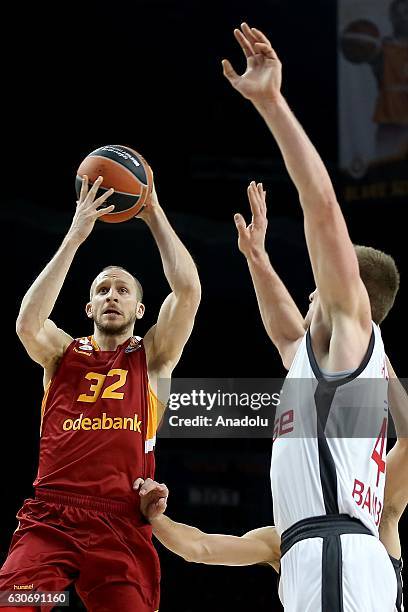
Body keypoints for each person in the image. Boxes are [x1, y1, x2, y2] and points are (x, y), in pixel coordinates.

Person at [221, 24, 401, 611]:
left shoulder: (351, 329)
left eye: (315, 288)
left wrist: (272, 104)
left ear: (346, 291)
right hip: (339, 556)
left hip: (335, 554)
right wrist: (257, 261)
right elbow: (285, 335)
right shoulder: (341, 366)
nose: (308, 296)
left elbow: (321, 206)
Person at [1, 175, 201, 611]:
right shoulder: (61, 354)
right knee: (20, 603)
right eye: (102, 290)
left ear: (139, 309)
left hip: (121, 520)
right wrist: (75, 236)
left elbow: (188, 291)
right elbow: (26, 325)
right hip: (51, 516)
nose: (112, 295)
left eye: (123, 290)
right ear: (89, 308)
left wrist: (154, 213)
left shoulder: (154, 357)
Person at [134, 359, 406, 611]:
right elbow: (199, 547)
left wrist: (379, 357)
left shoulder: (377, 516)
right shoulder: (282, 540)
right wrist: (154, 517)